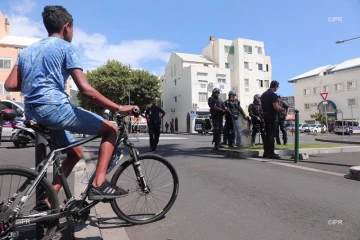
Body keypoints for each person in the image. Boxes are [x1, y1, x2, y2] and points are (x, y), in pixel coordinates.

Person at [4, 5, 139, 203]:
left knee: (75, 153)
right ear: (67, 27)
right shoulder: (66, 48)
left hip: (33, 113)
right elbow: (85, 89)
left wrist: (36, 84)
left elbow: (10, 84)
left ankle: (48, 202)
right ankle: (99, 185)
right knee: (110, 129)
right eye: (73, 30)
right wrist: (119, 108)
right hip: (55, 109)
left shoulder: (27, 52)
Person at [260, 80, 285, 159]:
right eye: (277, 87)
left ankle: (266, 152)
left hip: (265, 116)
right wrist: (282, 109)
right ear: (276, 86)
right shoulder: (273, 95)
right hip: (272, 117)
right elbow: (276, 106)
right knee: (271, 135)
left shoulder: (263, 94)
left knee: (267, 135)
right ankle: (271, 153)